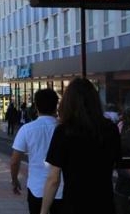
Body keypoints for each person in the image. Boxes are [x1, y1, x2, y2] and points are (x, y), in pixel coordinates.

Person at [40, 77, 121, 214]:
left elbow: (53, 178)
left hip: (74, 205)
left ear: (68, 102)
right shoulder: (110, 129)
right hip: (104, 204)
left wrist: (44, 210)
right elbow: (115, 163)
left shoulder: (64, 131)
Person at [10, 88, 63, 214]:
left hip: (37, 188)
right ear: (56, 106)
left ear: (36, 106)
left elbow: (14, 160)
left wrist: (14, 180)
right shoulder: (64, 128)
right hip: (62, 190)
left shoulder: (27, 129)